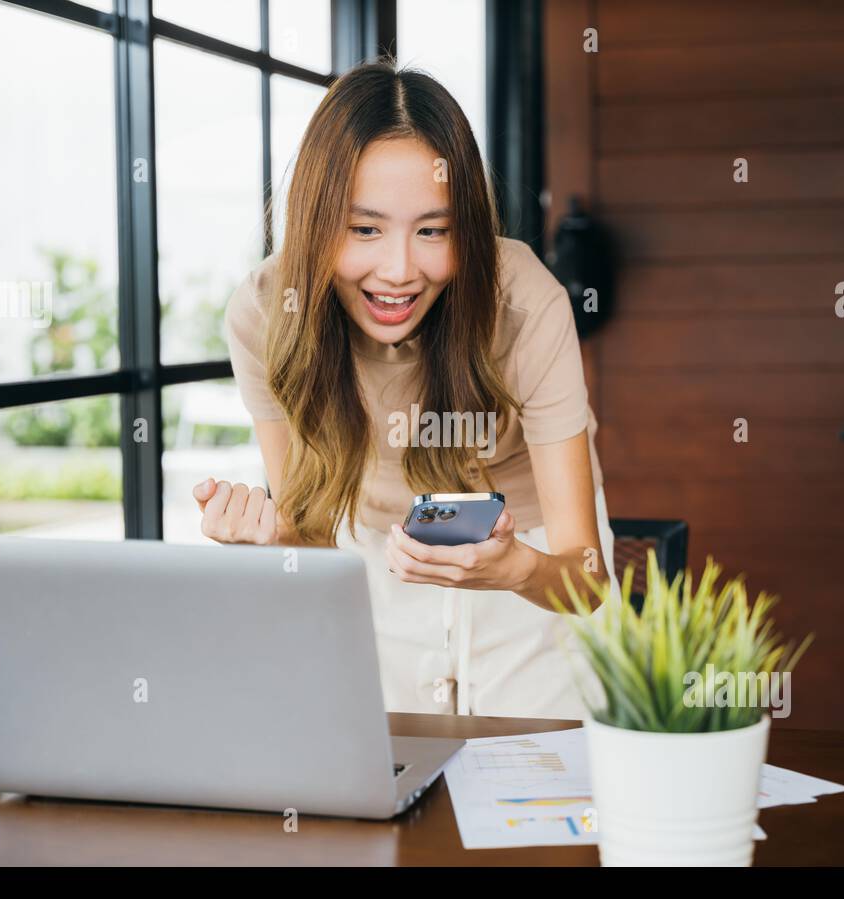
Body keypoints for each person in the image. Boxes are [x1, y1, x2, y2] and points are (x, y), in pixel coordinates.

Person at [193, 60, 615, 719]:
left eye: (433, 231)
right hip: (375, 563)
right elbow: (310, 544)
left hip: (530, 565)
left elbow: (587, 579)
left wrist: (514, 570)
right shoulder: (266, 313)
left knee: (535, 798)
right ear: (314, 221)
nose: (398, 271)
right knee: (392, 795)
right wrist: (276, 537)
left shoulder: (524, 299)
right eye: (364, 229)